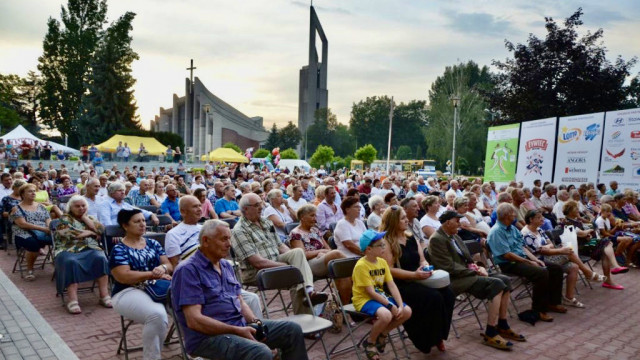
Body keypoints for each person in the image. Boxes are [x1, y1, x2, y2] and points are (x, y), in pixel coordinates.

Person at [171, 219, 308, 360]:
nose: (229, 244)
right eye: (224, 239)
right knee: (260, 352)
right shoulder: (188, 270)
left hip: (238, 326)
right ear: (206, 241)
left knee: (292, 330)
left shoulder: (225, 265)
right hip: (207, 338)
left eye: (229, 239)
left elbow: (240, 300)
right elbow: (194, 320)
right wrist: (238, 331)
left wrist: (257, 323)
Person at [429, 210, 524, 350]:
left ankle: (502, 324)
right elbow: (448, 266)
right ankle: (490, 332)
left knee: (505, 280)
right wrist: (474, 270)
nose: (459, 224)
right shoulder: (437, 239)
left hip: (467, 273)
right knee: (497, 284)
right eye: (457, 221)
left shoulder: (454, 236)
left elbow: (467, 258)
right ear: (448, 222)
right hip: (455, 279)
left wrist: (477, 266)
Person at [230, 193, 327, 315]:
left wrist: (294, 261)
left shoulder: (265, 222)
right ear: (245, 209)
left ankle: (309, 291)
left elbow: (280, 245)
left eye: (261, 203)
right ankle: (308, 319)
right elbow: (257, 262)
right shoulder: (240, 230)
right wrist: (289, 266)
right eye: (256, 205)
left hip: (276, 260)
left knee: (297, 253)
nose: (261, 207)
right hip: (257, 272)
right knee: (297, 277)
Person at [165, 196, 261, 317]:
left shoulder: (205, 229)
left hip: (219, 278)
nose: (200, 209)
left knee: (252, 298)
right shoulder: (173, 234)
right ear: (183, 211)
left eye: (200, 205)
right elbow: (176, 266)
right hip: (198, 282)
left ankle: (256, 330)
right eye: (195, 206)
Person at [378, 206, 454, 353]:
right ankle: (425, 339)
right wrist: (414, 275)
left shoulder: (410, 236)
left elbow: (422, 259)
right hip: (399, 284)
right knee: (433, 297)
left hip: (418, 278)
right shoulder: (386, 241)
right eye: (403, 218)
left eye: (406, 217)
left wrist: (425, 267)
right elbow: (389, 270)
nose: (407, 220)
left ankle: (438, 335)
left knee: (448, 294)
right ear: (393, 221)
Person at [109, 209, 173, 360]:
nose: (143, 224)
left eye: (143, 220)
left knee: (187, 307)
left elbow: (168, 265)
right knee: (157, 315)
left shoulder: (153, 243)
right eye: (137, 222)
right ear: (125, 226)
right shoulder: (119, 248)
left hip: (157, 288)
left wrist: (162, 268)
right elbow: (124, 276)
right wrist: (153, 273)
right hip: (126, 291)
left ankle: (196, 350)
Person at [487, 203, 566, 321]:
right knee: (541, 273)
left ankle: (552, 303)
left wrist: (535, 260)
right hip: (509, 263)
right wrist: (529, 262)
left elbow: (523, 248)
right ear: (506, 215)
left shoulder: (512, 228)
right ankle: (539, 310)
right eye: (513, 213)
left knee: (555, 268)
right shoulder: (497, 231)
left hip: (521, 259)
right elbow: (507, 255)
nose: (515, 215)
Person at [352, 229, 412, 360]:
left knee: (406, 311)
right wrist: (390, 306)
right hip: (363, 299)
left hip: (380, 297)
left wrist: (400, 305)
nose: (384, 247)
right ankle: (370, 342)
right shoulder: (361, 266)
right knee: (386, 315)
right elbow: (370, 292)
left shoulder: (382, 262)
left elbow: (391, 285)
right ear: (368, 249)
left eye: (383, 244)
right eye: (380, 245)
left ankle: (383, 334)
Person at [54, 195, 110, 314]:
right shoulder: (65, 218)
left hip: (89, 247)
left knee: (101, 257)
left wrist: (86, 220)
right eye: (77, 206)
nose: (81, 208)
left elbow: (101, 230)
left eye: (83, 205)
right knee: (71, 262)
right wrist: (90, 232)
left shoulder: (89, 217)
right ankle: (72, 300)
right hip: (67, 249)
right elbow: (69, 233)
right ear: (70, 207)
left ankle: (104, 295)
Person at [289, 204, 351, 304]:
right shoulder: (295, 233)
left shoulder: (315, 230)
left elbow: (328, 249)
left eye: (315, 216)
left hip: (322, 260)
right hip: (308, 265)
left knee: (343, 274)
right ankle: (356, 271)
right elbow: (302, 255)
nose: (315, 219)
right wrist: (320, 252)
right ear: (302, 217)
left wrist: (325, 253)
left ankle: (344, 308)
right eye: (312, 216)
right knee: (337, 255)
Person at [10, 183, 53, 281]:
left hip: (43, 231)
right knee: (33, 243)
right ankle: (29, 269)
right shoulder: (16, 208)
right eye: (30, 191)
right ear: (23, 194)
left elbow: (47, 218)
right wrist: (43, 229)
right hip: (23, 233)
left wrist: (49, 227)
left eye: (34, 191)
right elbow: (22, 224)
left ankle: (58, 264)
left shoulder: (41, 206)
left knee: (58, 239)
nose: (33, 193)